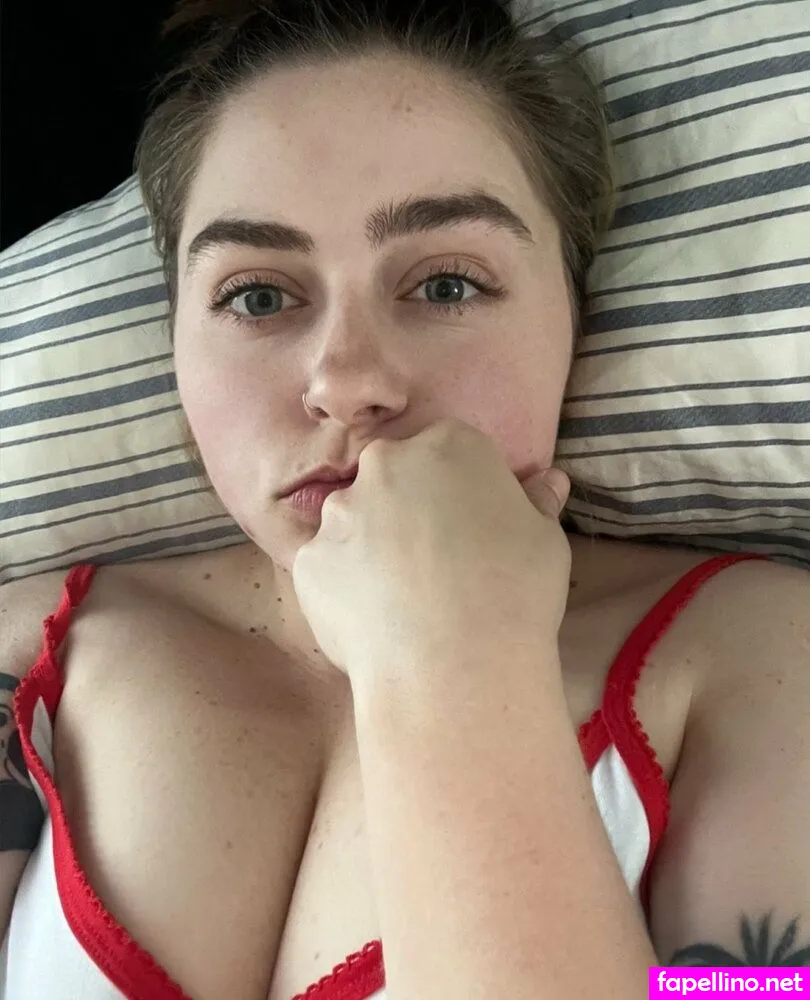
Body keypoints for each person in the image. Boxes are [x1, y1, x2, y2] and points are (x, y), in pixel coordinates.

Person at [1, 1, 808, 998]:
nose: (346, 382)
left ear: (574, 312)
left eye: (445, 286)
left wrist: (453, 660)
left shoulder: (767, 657)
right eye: (258, 297)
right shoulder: (26, 654)